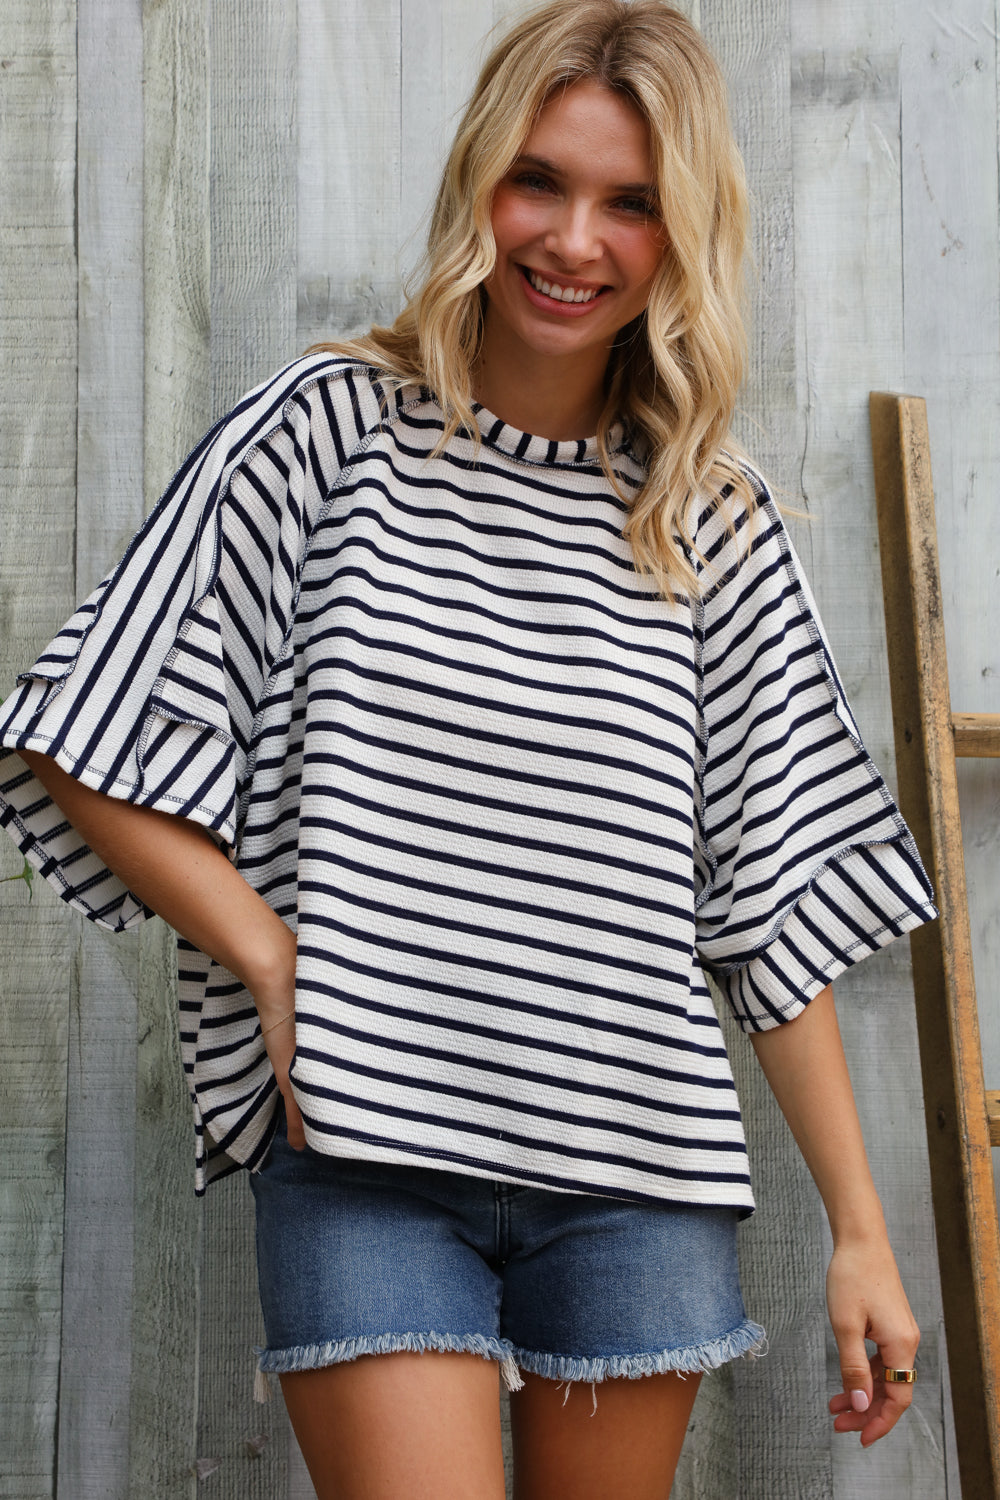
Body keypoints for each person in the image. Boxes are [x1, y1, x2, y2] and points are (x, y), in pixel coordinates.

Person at [0, 3, 935, 1496]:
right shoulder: (321, 436)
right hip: (368, 1165)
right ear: (476, 186)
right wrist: (271, 957)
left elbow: (775, 900)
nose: (574, 240)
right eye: (539, 182)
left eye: (631, 203)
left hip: (638, 1182)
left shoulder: (712, 517)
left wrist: (864, 1235)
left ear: (682, 234)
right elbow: (84, 731)